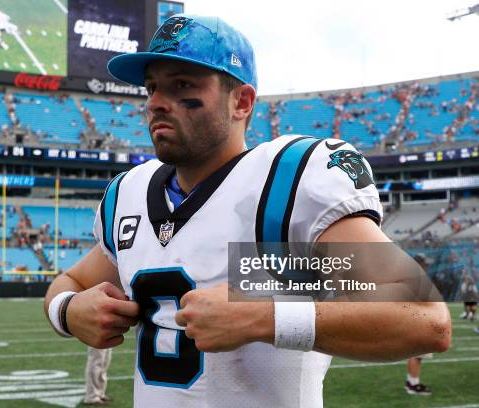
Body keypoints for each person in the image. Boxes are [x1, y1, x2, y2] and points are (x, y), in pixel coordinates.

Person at [44, 14, 451, 407]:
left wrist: (264, 318)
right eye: (151, 87)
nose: (156, 103)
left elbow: (424, 319)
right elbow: (71, 281)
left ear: (241, 101)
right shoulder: (129, 194)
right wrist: (68, 310)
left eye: (181, 85)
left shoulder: (285, 183)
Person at [404, 254, 434, 396]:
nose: (427, 266)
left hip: (413, 321)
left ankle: (411, 383)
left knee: (414, 355)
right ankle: (413, 385)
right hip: (418, 322)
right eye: (425, 264)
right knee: (418, 355)